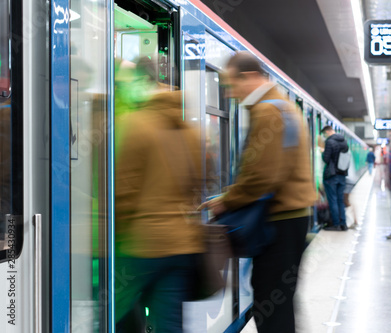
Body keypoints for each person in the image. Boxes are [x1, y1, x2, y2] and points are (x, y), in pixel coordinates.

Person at [202, 51, 316, 333]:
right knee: (279, 300)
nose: (229, 94)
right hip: (291, 219)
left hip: (279, 222)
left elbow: (261, 176)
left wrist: (225, 202)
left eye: (231, 85)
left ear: (250, 77)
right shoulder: (283, 106)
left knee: (270, 301)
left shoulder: (268, 110)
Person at [114, 57, 204, 332]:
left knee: (113, 313)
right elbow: (199, 182)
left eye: (124, 84)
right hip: (181, 246)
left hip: (142, 245)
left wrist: (115, 235)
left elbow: (123, 192)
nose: (121, 90)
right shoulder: (187, 129)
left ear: (142, 81)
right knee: (169, 324)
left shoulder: (133, 124)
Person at [321, 125, 349, 231]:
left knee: (333, 200)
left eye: (324, 134)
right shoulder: (344, 141)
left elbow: (326, 159)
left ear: (327, 132)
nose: (324, 136)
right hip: (342, 174)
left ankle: (336, 224)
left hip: (332, 175)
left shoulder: (330, 142)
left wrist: (322, 152)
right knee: (340, 200)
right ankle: (343, 224)